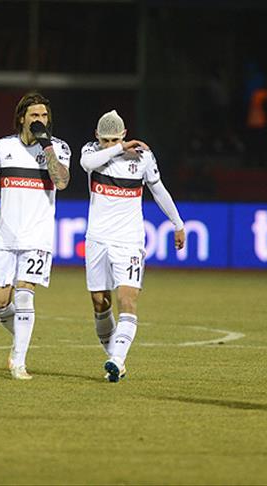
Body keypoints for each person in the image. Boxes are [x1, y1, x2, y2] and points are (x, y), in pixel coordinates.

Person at [0, 92, 70, 380]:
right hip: (6, 235)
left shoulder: (59, 147)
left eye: (44, 116)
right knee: (0, 302)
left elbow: (61, 182)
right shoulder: (4, 147)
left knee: (25, 295)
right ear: (22, 118)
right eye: (35, 115)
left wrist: (46, 146)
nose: (40, 120)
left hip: (38, 235)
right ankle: (22, 337)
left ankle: (19, 361)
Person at [80, 110, 185, 382]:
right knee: (100, 303)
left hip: (129, 241)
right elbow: (87, 164)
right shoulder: (91, 151)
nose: (109, 144)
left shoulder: (142, 158)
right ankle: (116, 358)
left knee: (127, 299)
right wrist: (118, 148)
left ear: (124, 134)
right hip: (97, 239)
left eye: (115, 139)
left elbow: (158, 190)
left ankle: (116, 360)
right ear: (96, 136)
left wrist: (177, 223)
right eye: (105, 140)